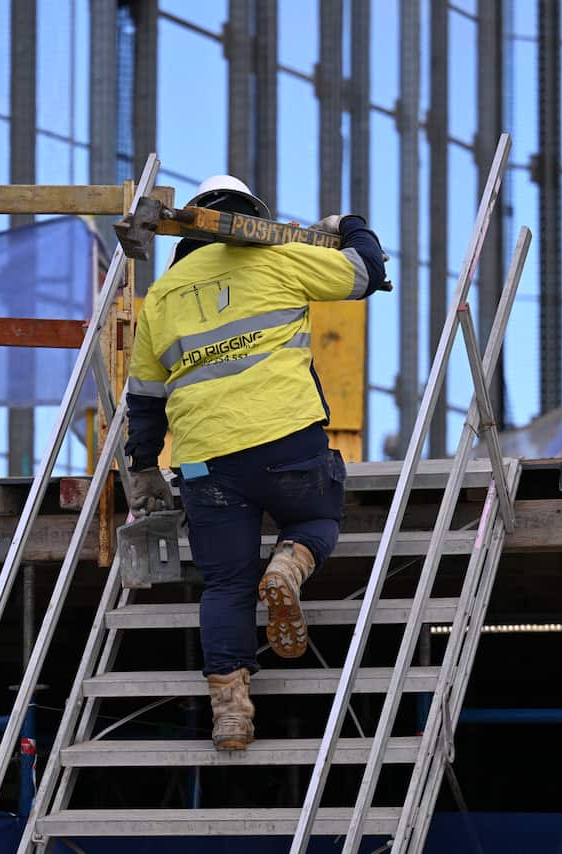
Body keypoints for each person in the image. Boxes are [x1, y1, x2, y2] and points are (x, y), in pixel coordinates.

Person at [123, 175, 388, 751]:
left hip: (204, 463)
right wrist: (348, 225)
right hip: (286, 439)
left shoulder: (162, 296)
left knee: (224, 584)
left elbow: (143, 398)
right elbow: (366, 273)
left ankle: (231, 716)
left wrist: (142, 465)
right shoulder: (278, 256)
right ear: (253, 218)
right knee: (316, 519)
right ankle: (289, 566)